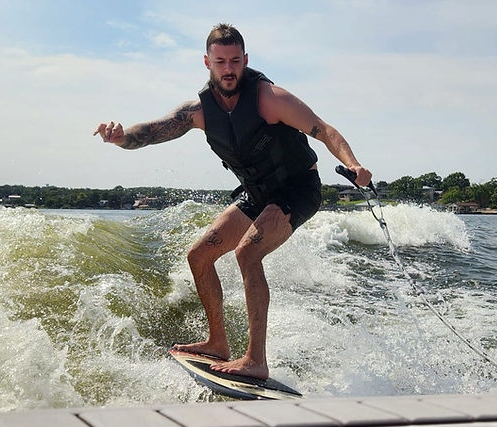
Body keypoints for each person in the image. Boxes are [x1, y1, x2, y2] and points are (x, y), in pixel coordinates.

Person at [94, 23, 371, 379]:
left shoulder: (270, 98)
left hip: (297, 188)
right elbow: (149, 132)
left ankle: (256, 361)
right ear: (207, 62)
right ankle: (217, 343)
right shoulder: (199, 111)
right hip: (256, 192)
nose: (229, 69)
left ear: (245, 60)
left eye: (235, 61)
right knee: (199, 255)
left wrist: (353, 163)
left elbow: (323, 129)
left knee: (247, 251)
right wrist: (120, 137)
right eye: (221, 61)